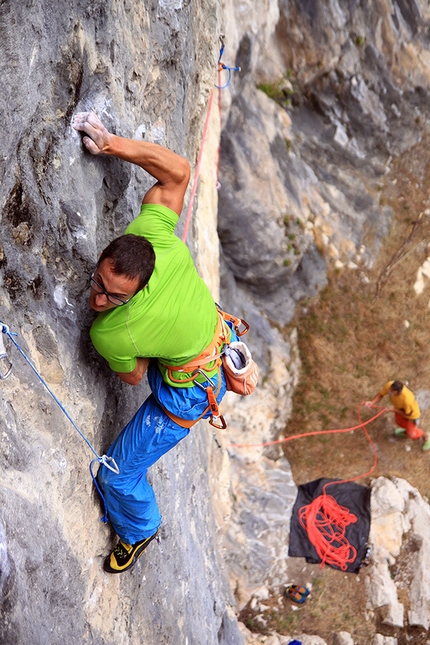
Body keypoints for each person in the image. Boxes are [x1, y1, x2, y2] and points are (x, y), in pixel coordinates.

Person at [72, 112, 241, 573]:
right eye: (99, 281)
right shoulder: (153, 236)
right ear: (112, 250)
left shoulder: (110, 332)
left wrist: (146, 335)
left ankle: (139, 529)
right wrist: (110, 145)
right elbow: (179, 172)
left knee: (120, 475)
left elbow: (135, 375)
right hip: (218, 341)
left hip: (189, 392)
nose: (98, 298)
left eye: (115, 296)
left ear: (139, 287)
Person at [365, 380, 430, 451]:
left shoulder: (407, 399)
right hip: (399, 410)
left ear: (399, 392)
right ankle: (406, 432)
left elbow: (407, 413)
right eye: (390, 390)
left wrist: (393, 410)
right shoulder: (389, 385)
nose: (390, 392)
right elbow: (381, 394)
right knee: (399, 422)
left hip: (411, 416)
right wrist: (372, 402)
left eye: (392, 392)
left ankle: (426, 436)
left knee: (412, 434)